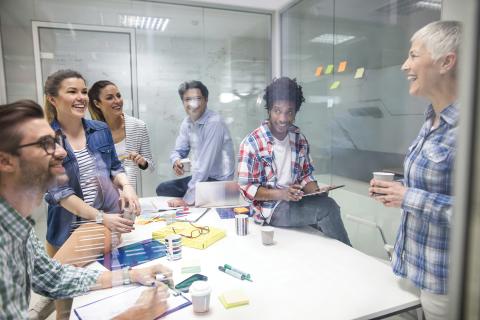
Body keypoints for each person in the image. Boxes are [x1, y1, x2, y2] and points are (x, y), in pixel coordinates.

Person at [0, 100, 171, 320]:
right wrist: (137, 315)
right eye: (45, 144)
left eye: (57, 141)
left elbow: (55, 279)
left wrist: (131, 274)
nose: (62, 152)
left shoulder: (17, 225)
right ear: (5, 161)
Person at [369, 21, 461, 320]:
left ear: (446, 61)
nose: (404, 65)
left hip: (442, 281)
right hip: (410, 267)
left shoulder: (468, 129)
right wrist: (394, 189)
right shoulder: (430, 121)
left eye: (413, 55)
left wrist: (407, 196)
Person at [238, 77, 351, 246]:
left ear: (296, 112)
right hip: (270, 209)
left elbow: (306, 175)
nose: (283, 118)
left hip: (295, 201)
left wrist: (316, 191)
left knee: (323, 209)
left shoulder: (299, 139)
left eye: (289, 112)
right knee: (328, 208)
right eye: (277, 111)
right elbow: (246, 188)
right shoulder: (253, 142)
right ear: (269, 109)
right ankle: (348, 255)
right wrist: (282, 194)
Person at [44, 69, 140, 256]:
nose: (81, 97)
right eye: (72, 92)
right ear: (52, 99)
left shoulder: (101, 129)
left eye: (84, 91)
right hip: (68, 234)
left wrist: (127, 186)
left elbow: (114, 166)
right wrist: (100, 217)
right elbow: (60, 193)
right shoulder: (45, 139)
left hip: (105, 227)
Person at [155, 80, 235, 207]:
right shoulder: (187, 123)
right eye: (188, 99)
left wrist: (186, 200)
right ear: (183, 102)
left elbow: (203, 167)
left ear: (206, 100)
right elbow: (178, 151)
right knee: (163, 189)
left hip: (218, 183)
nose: (193, 104)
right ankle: (196, 199)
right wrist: (176, 161)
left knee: (188, 198)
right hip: (203, 178)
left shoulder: (215, 123)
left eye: (198, 98)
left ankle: (194, 201)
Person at [88, 80, 155, 191]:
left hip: (130, 196)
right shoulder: (92, 132)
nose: (117, 101)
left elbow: (151, 168)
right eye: (110, 98)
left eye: (118, 96)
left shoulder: (139, 126)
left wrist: (143, 162)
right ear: (97, 103)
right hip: (103, 198)